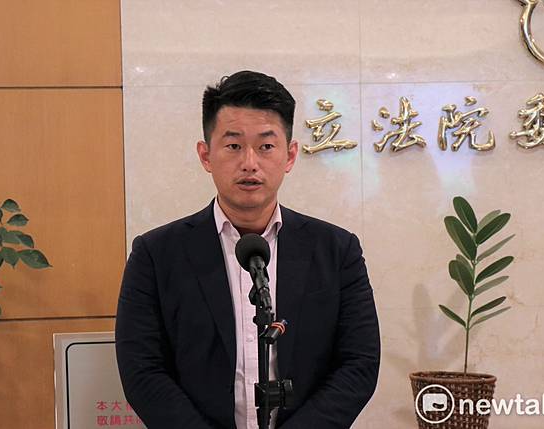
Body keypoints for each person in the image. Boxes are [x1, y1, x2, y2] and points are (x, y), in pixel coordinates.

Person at [115, 70, 380, 429]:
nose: (250, 163)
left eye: (266, 146)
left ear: (290, 155)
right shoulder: (155, 255)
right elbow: (142, 371)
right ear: (206, 155)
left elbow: (359, 363)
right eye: (234, 145)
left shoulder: (337, 251)